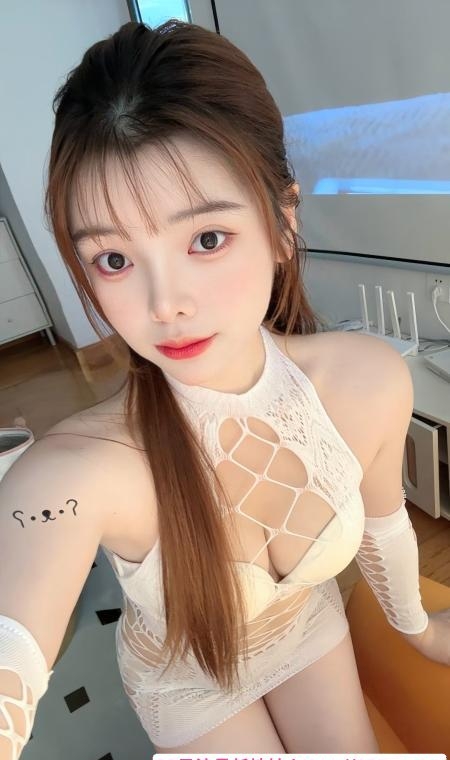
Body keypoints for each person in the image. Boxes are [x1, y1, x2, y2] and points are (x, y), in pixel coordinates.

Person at [0, 19, 449, 759]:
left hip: (307, 630)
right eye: (113, 259)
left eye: (206, 239)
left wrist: (420, 631)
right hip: (185, 684)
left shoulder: (366, 382)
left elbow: (384, 526)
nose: (164, 304)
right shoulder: (81, 469)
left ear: (282, 224)